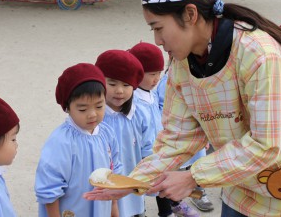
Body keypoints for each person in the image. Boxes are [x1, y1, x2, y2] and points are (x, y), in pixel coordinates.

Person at [84, 0, 281, 217]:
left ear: (190, 14)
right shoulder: (182, 62)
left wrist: (192, 176)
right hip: (237, 189)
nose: (157, 41)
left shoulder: (259, 54)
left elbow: (265, 145)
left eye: (158, 28)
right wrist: (131, 182)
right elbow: (177, 137)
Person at [35, 63, 122, 217]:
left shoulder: (107, 133)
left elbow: (114, 172)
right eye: (82, 109)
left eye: (99, 106)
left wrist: (114, 207)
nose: (92, 114)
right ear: (67, 107)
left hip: (102, 208)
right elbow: (49, 188)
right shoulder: (61, 141)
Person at [129, 42, 200, 217]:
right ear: (137, 73)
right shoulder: (134, 101)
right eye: (152, 74)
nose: (156, 79)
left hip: (159, 148)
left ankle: (168, 210)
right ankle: (143, 212)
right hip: (144, 153)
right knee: (144, 185)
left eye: (159, 73)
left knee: (163, 181)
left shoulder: (150, 93)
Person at [95, 50, 155, 217]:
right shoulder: (94, 117)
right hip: (103, 186)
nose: (119, 91)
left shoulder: (141, 113)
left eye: (126, 85)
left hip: (132, 185)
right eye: (112, 84)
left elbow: (148, 149)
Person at [156, 57, 214, 214]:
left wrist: (206, 134)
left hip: (196, 132)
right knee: (177, 166)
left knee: (199, 163)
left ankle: (199, 193)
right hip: (178, 133)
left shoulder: (199, 78)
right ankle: (178, 199)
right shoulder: (166, 82)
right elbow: (161, 107)